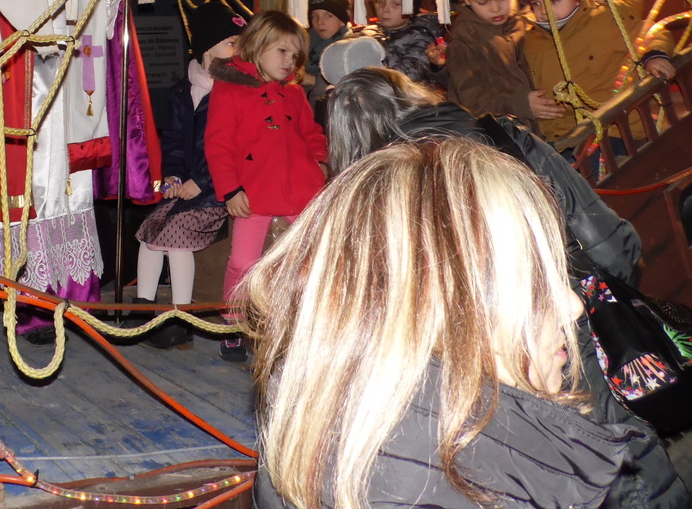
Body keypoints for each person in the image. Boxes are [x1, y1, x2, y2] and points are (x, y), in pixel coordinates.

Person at [324, 67, 689, 509]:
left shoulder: (360, 199)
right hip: (551, 332)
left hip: (451, 372)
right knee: (613, 453)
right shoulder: (500, 137)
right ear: (413, 93)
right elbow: (610, 246)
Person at [243, 138, 632, 509]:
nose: (572, 306)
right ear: (440, 310)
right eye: (534, 281)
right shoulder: (435, 483)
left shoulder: (335, 424)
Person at [205, 9, 327, 362]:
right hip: (254, 192)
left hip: (302, 191)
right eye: (282, 51)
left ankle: (309, 323)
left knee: (311, 259)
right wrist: (230, 190)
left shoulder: (294, 94)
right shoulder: (229, 90)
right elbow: (218, 144)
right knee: (243, 262)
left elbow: (312, 133)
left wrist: (320, 160)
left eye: (295, 55)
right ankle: (233, 324)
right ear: (257, 46)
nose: (289, 62)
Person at [134, 0, 244, 349]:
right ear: (208, 47)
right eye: (231, 42)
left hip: (219, 189)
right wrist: (173, 176)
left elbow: (233, 148)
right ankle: (144, 306)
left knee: (176, 235)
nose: (237, 49)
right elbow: (175, 140)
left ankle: (181, 315)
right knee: (150, 231)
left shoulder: (236, 90)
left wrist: (202, 182)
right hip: (190, 188)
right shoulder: (185, 90)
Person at [519, 0, 675, 144]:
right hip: (563, 131)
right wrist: (525, 103)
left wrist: (654, 55)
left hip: (616, 126)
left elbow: (648, 33)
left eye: (553, 1)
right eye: (536, 3)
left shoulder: (604, 20)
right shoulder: (531, 39)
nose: (543, 10)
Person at [447, 0, 554, 133]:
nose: (495, 8)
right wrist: (518, 104)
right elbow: (470, 100)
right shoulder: (464, 40)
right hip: (506, 135)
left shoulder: (529, 21)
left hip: (546, 128)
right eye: (483, 2)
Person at [369, 0, 447, 88]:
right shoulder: (369, 34)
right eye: (381, 2)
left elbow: (407, 77)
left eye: (396, 4)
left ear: (410, 8)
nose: (385, 9)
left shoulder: (421, 37)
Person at [301, 0, 354, 89]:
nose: (320, 22)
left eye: (328, 16)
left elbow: (348, 86)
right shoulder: (303, 42)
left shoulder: (350, 49)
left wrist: (310, 80)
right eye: (314, 16)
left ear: (342, 20)